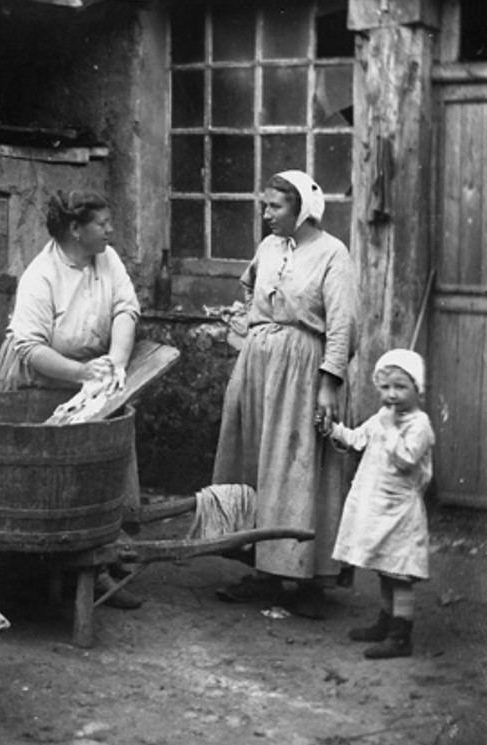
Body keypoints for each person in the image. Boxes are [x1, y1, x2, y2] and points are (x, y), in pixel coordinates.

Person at [212, 170, 357, 619]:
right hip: (258, 368)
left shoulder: (334, 254)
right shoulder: (269, 247)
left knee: (298, 471)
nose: (266, 213)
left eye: (275, 207)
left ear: (303, 210)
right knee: (257, 465)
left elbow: (342, 324)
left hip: (302, 373)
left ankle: (307, 577)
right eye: (265, 205)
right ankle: (262, 571)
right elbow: (253, 289)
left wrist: (328, 384)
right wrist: (249, 327)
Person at [0, 188, 143, 610]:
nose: (111, 230)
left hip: (89, 374)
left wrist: (115, 361)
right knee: (46, 479)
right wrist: (80, 373)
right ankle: (39, 575)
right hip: (40, 378)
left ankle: (98, 567)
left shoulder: (105, 258)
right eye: (103, 224)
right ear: (76, 230)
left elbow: (126, 309)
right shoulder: (41, 276)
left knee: (97, 469)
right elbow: (31, 348)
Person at [320, 349, 434, 659]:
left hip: (400, 512)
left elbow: (407, 458)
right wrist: (333, 430)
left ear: (416, 388)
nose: (392, 395)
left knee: (400, 575)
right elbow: (358, 438)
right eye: (385, 388)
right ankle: (385, 624)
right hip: (378, 508)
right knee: (385, 570)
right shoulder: (383, 417)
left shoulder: (419, 424)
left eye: (400, 387)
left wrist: (392, 430)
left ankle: (401, 636)